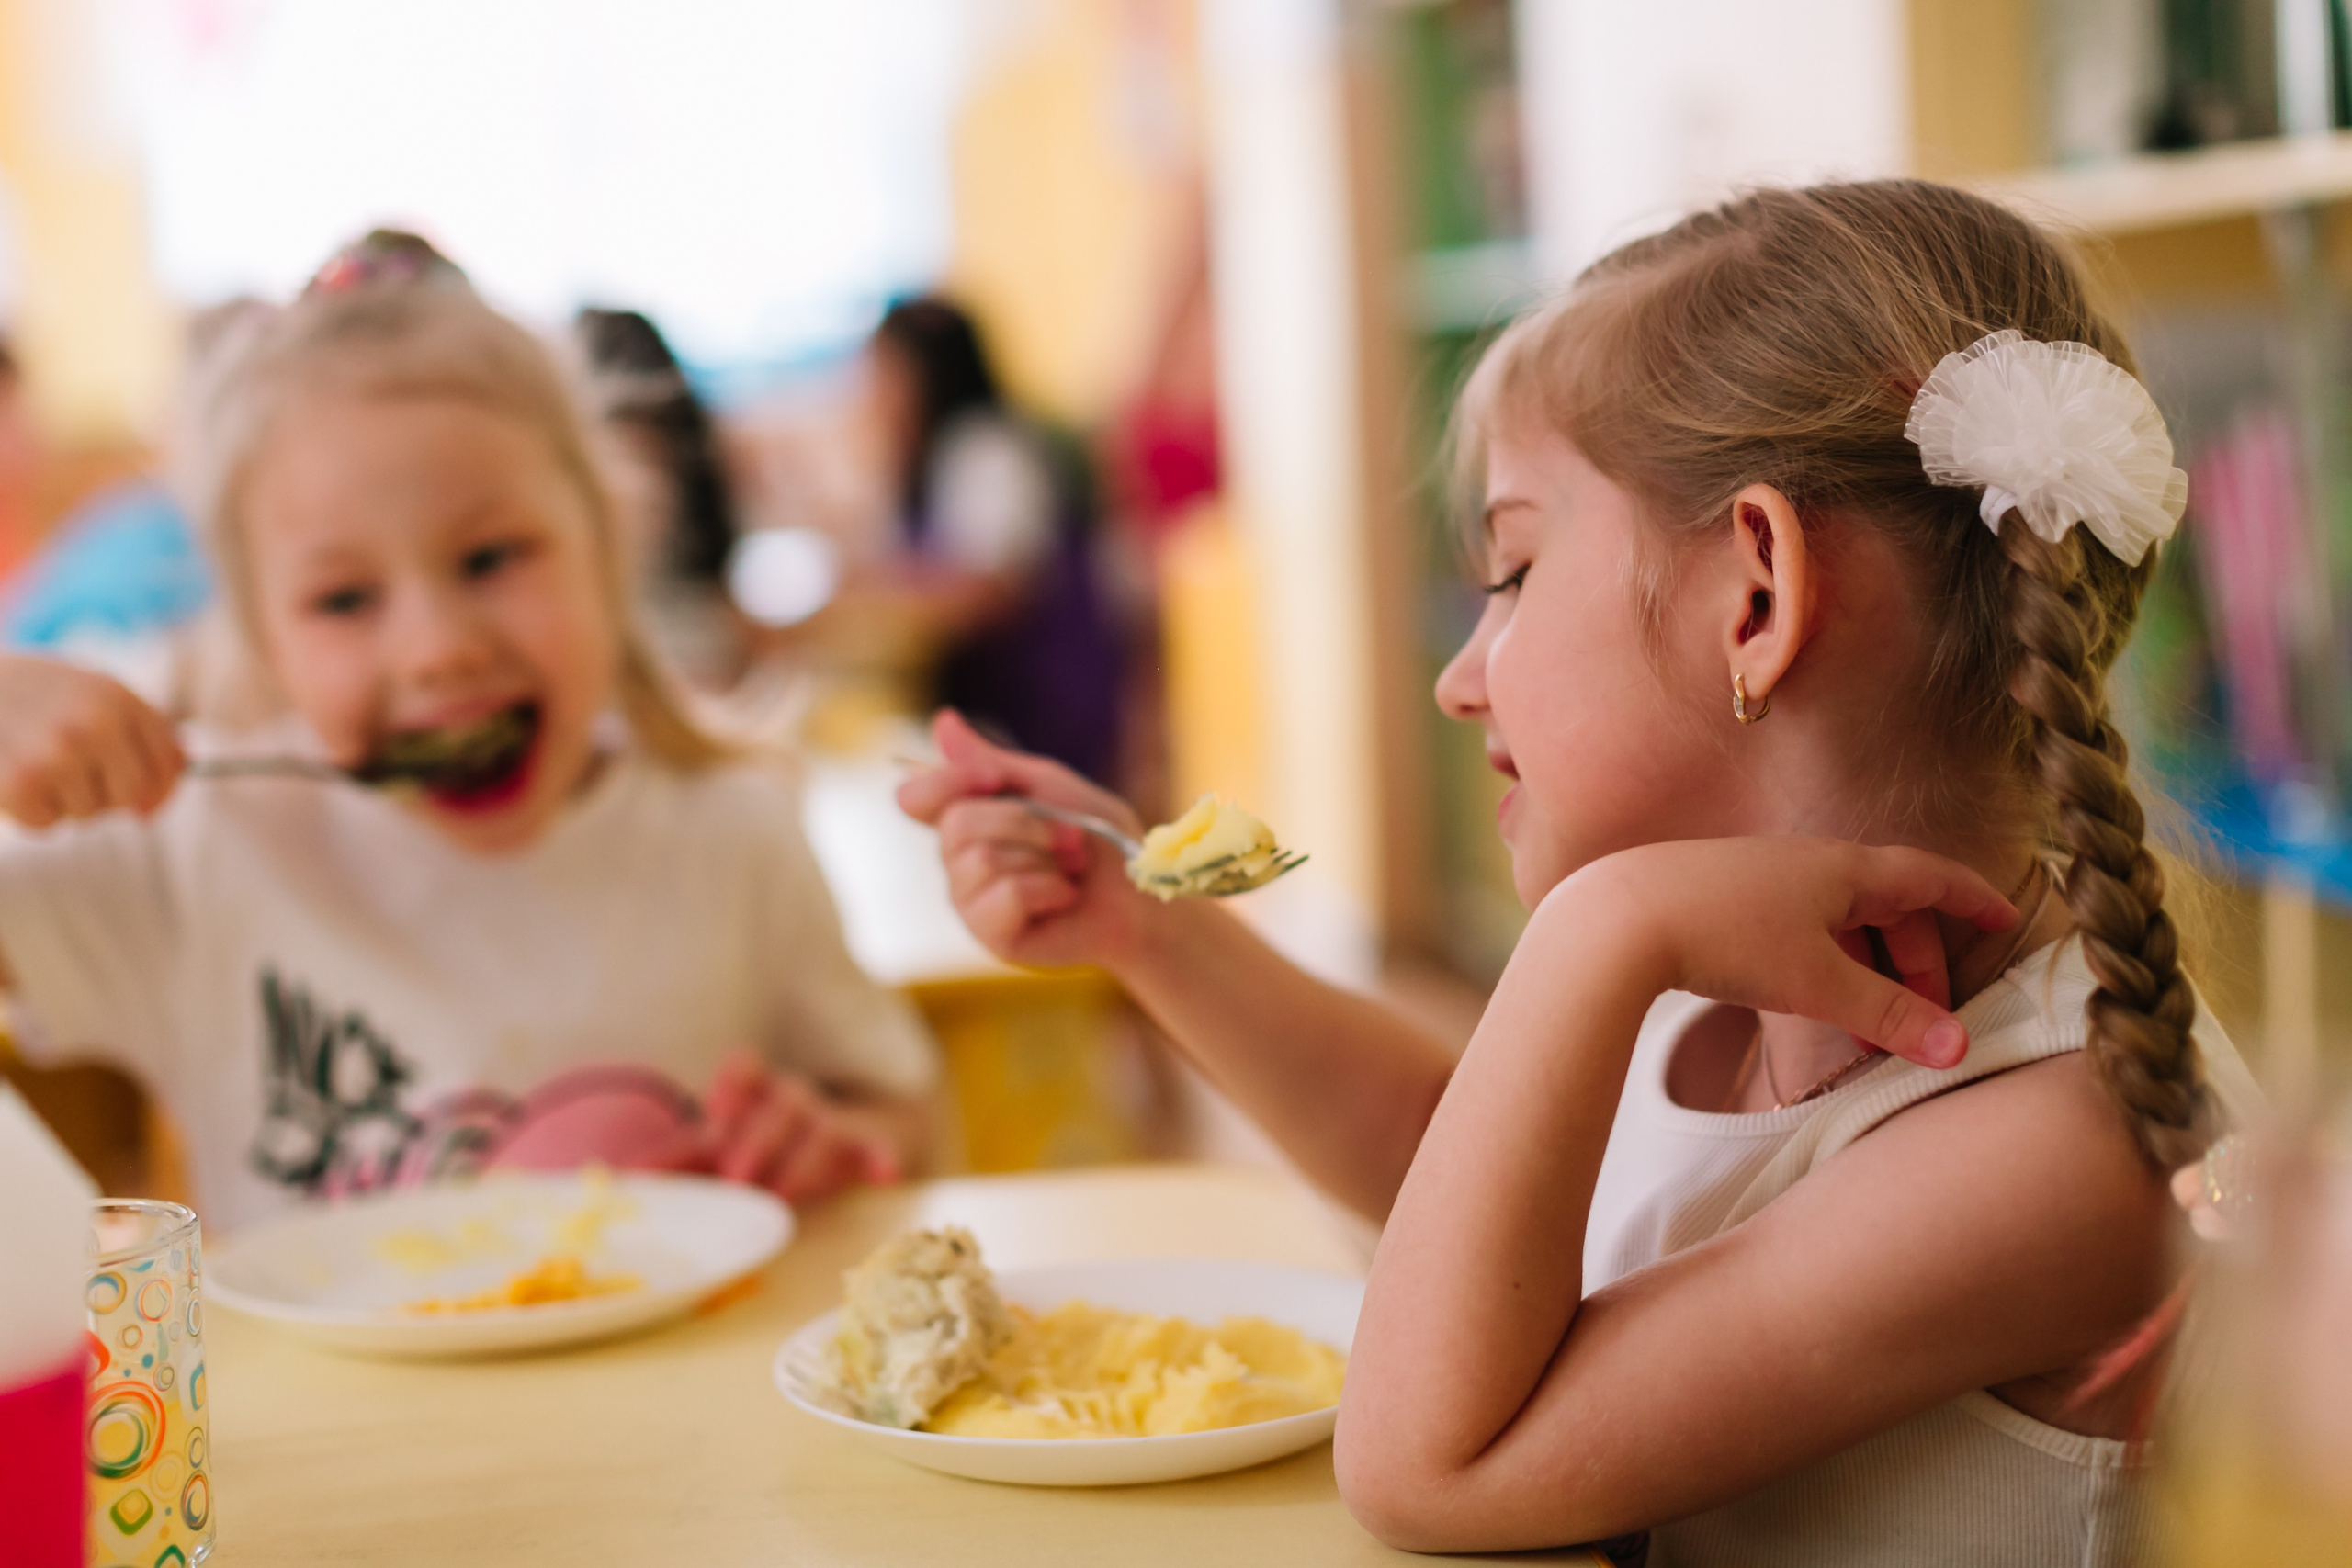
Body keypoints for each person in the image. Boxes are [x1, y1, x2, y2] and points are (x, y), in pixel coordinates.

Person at [899, 180, 2263, 1562]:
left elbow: (1434, 1467)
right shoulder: (1741, 974)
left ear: (1756, 594)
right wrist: (1143, 927)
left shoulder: (2054, 1148)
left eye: (1513, 568)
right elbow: (1473, 1180)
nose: (1458, 677)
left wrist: (1602, 928)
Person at [0, 235, 935, 1231]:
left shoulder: (733, 833)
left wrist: (842, 1141)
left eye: (491, 558)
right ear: (266, 642)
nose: (439, 649)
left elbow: (900, 1112)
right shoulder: (192, 859)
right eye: (345, 598)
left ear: (610, 554)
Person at [866, 296, 1124, 784]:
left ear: (927, 373)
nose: (872, 395)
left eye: (885, 374)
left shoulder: (989, 450)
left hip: (1040, 701)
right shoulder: (930, 459)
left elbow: (987, 592)